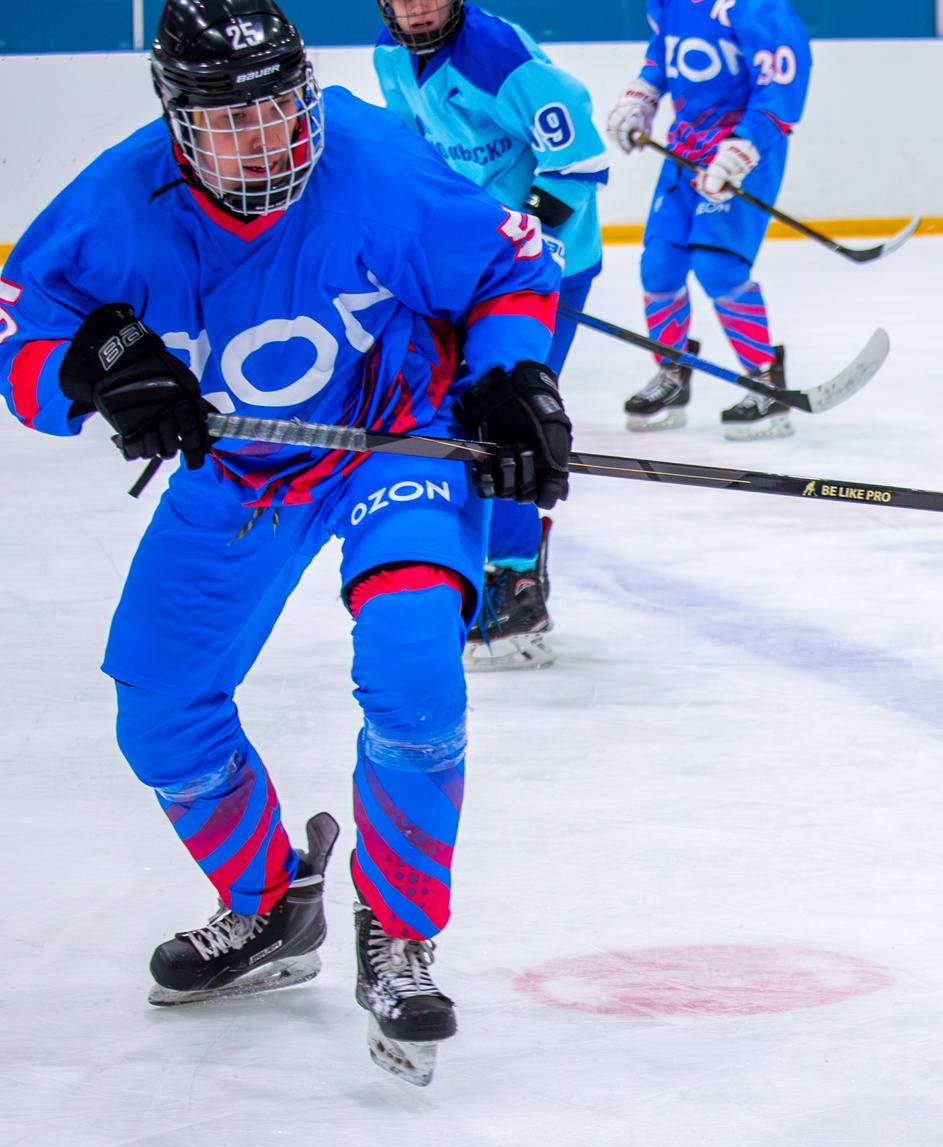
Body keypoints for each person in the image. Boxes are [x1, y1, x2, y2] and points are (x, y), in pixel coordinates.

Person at [0, 0, 572, 1084]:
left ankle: (398, 934)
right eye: (231, 121)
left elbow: (511, 270)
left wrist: (509, 380)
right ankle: (272, 905)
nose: (266, 140)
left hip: (392, 435)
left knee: (411, 661)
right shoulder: (120, 203)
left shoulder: (372, 162)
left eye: (279, 109)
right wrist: (94, 364)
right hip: (243, 467)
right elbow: (18, 323)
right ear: (178, 124)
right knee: (160, 710)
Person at [375, 0, 606, 669]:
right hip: (471, 266)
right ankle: (472, 566)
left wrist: (525, 244)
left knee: (505, 409)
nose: (418, 8)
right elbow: (411, 162)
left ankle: (514, 584)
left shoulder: (499, 58)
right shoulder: (391, 57)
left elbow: (576, 163)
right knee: (452, 410)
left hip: (543, 268)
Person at [604, 0, 809, 441]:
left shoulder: (757, 8)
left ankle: (765, 380)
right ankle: (672, 371)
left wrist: (743, 146)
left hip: (743, 151)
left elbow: (782, 84)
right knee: (659, 263)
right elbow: (665, 51)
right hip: (687, 147)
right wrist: (642, 95)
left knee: (719, 267)